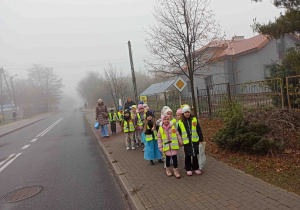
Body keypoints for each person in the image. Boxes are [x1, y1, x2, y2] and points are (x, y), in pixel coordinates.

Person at [178, 105, 203, 176]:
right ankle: (188, 168)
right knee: (187, 155)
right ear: (183, 113)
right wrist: (180, 141)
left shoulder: (194, 119)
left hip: (194, 141)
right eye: (185, 112)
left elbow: (198, 130)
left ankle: (196, 167)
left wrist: (201, 139)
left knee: (195, 155)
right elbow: (179, 133)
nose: (187, 114)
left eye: (188, 112)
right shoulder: (180, 122)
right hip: (186, 142)